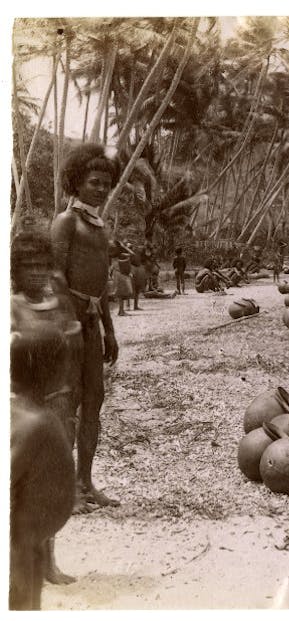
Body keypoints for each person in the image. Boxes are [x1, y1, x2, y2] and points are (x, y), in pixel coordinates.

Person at [50, 143, 120, 512]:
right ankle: (66, 490)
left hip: (92, 322)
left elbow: (103, 285)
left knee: (95, 399)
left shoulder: (99, 226)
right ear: (77, 183)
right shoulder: (66, 222)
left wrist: (109, 330)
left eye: (106, 183)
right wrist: (69, 324)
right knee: (69, 403)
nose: (101, 189)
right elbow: (56, 276)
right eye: (94, 182)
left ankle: (85, 482)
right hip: (70, 322)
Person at [10, 225, 81, 587]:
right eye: (28, 265)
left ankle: (48, 561)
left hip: (57, 406)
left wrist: (71, 397)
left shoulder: (60, 305)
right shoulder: (11, 309)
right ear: (15, 269)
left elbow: (73, 351)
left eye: (42, 264)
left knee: (50, 484)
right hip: (21, 412)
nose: (36, 271)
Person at [10, 328, 76, 610]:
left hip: (27, 540)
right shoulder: (36, 424)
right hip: (18, 544)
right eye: (64, 363)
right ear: (50, 371)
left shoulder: (26, 414)